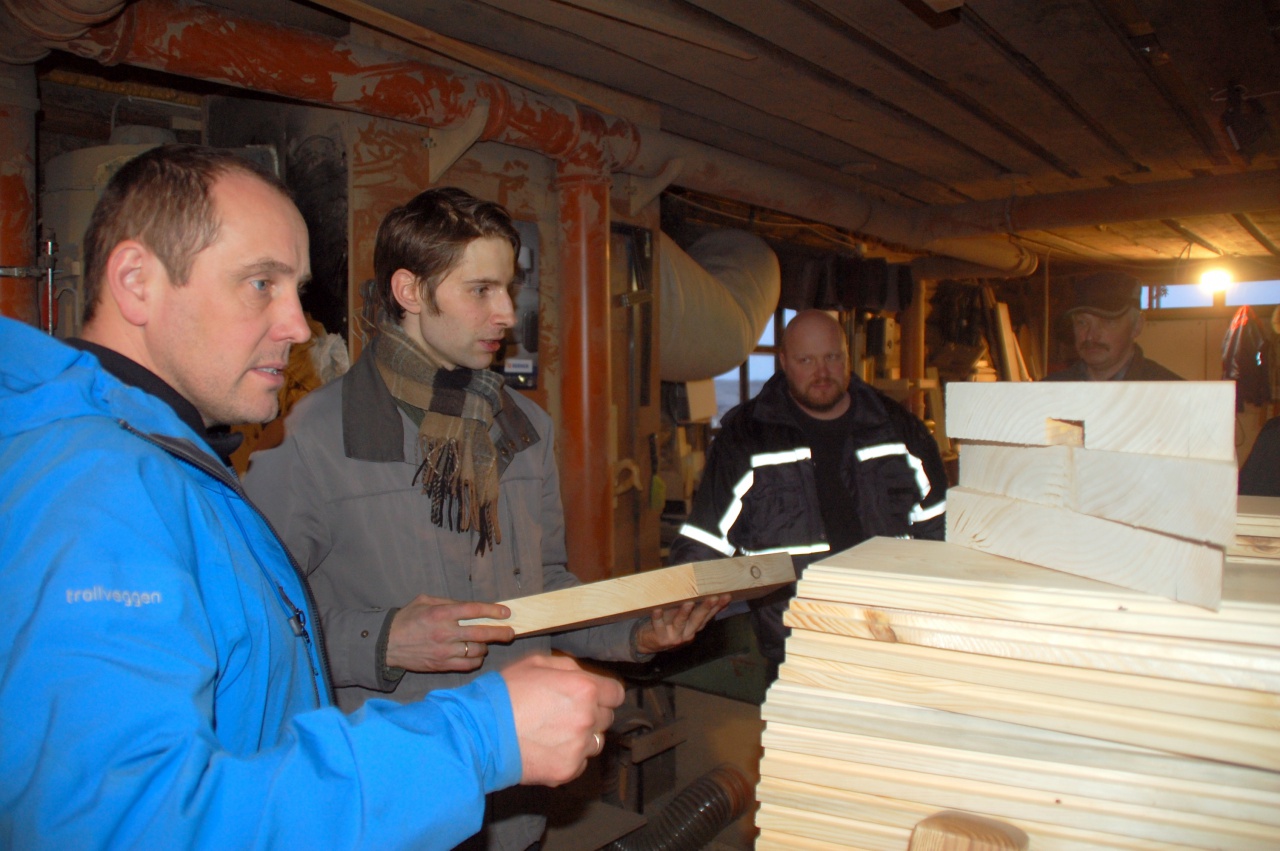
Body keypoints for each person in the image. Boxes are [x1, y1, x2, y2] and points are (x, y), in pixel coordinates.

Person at [0, 144, 625, 850]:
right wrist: (477, 735)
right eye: (260, 283)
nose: (299, 327)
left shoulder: (174, 465)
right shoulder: (94, 490)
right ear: (137, 282)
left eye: (295, 289)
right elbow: (123, 826)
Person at [243, 186, 727, 851]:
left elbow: (543, 593)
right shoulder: (312, 440)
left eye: (508, 289)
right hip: (392, 804)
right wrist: (382, 641)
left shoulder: (522, 428)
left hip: (514, 799)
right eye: (481, 290)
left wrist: (638, 631)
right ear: (410, 291)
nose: (506, 312)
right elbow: (256, 633)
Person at [667, 309, 948, 675]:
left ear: (847, 358)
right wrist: (671, 608)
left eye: (832, 358)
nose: (822, 372)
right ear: (784, 362)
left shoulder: (897, 428)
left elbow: (940, 528)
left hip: (893, 637)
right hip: (798, 645)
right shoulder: (747, 438)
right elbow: (706, 540)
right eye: (806, 361)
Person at [1044, 271, 1182, 381]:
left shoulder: (1171, 393)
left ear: (1137, 325)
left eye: (1107, 321)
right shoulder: (1048, 392)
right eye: (1082, 322)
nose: (1091, 336)